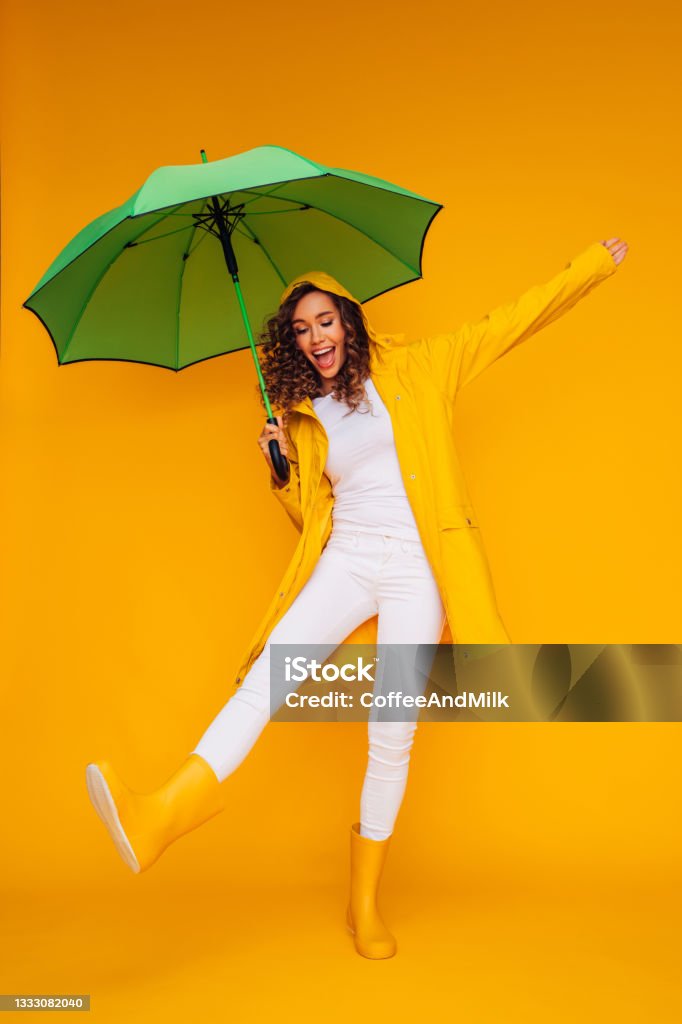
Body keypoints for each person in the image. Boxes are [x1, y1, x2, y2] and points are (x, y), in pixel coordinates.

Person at [85, 237, 628, 960]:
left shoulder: (423, 365)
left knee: (391, 730)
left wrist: (588, 266)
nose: (315, 340)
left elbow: (512, 321)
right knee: (269, 678)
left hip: (415, 569)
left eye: (324, 322)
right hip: (347, 558)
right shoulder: (300, 408)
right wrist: (281, 470)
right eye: (301, 331)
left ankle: (362, 904)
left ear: (349, 319)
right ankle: (158, 818)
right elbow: (311, 518)